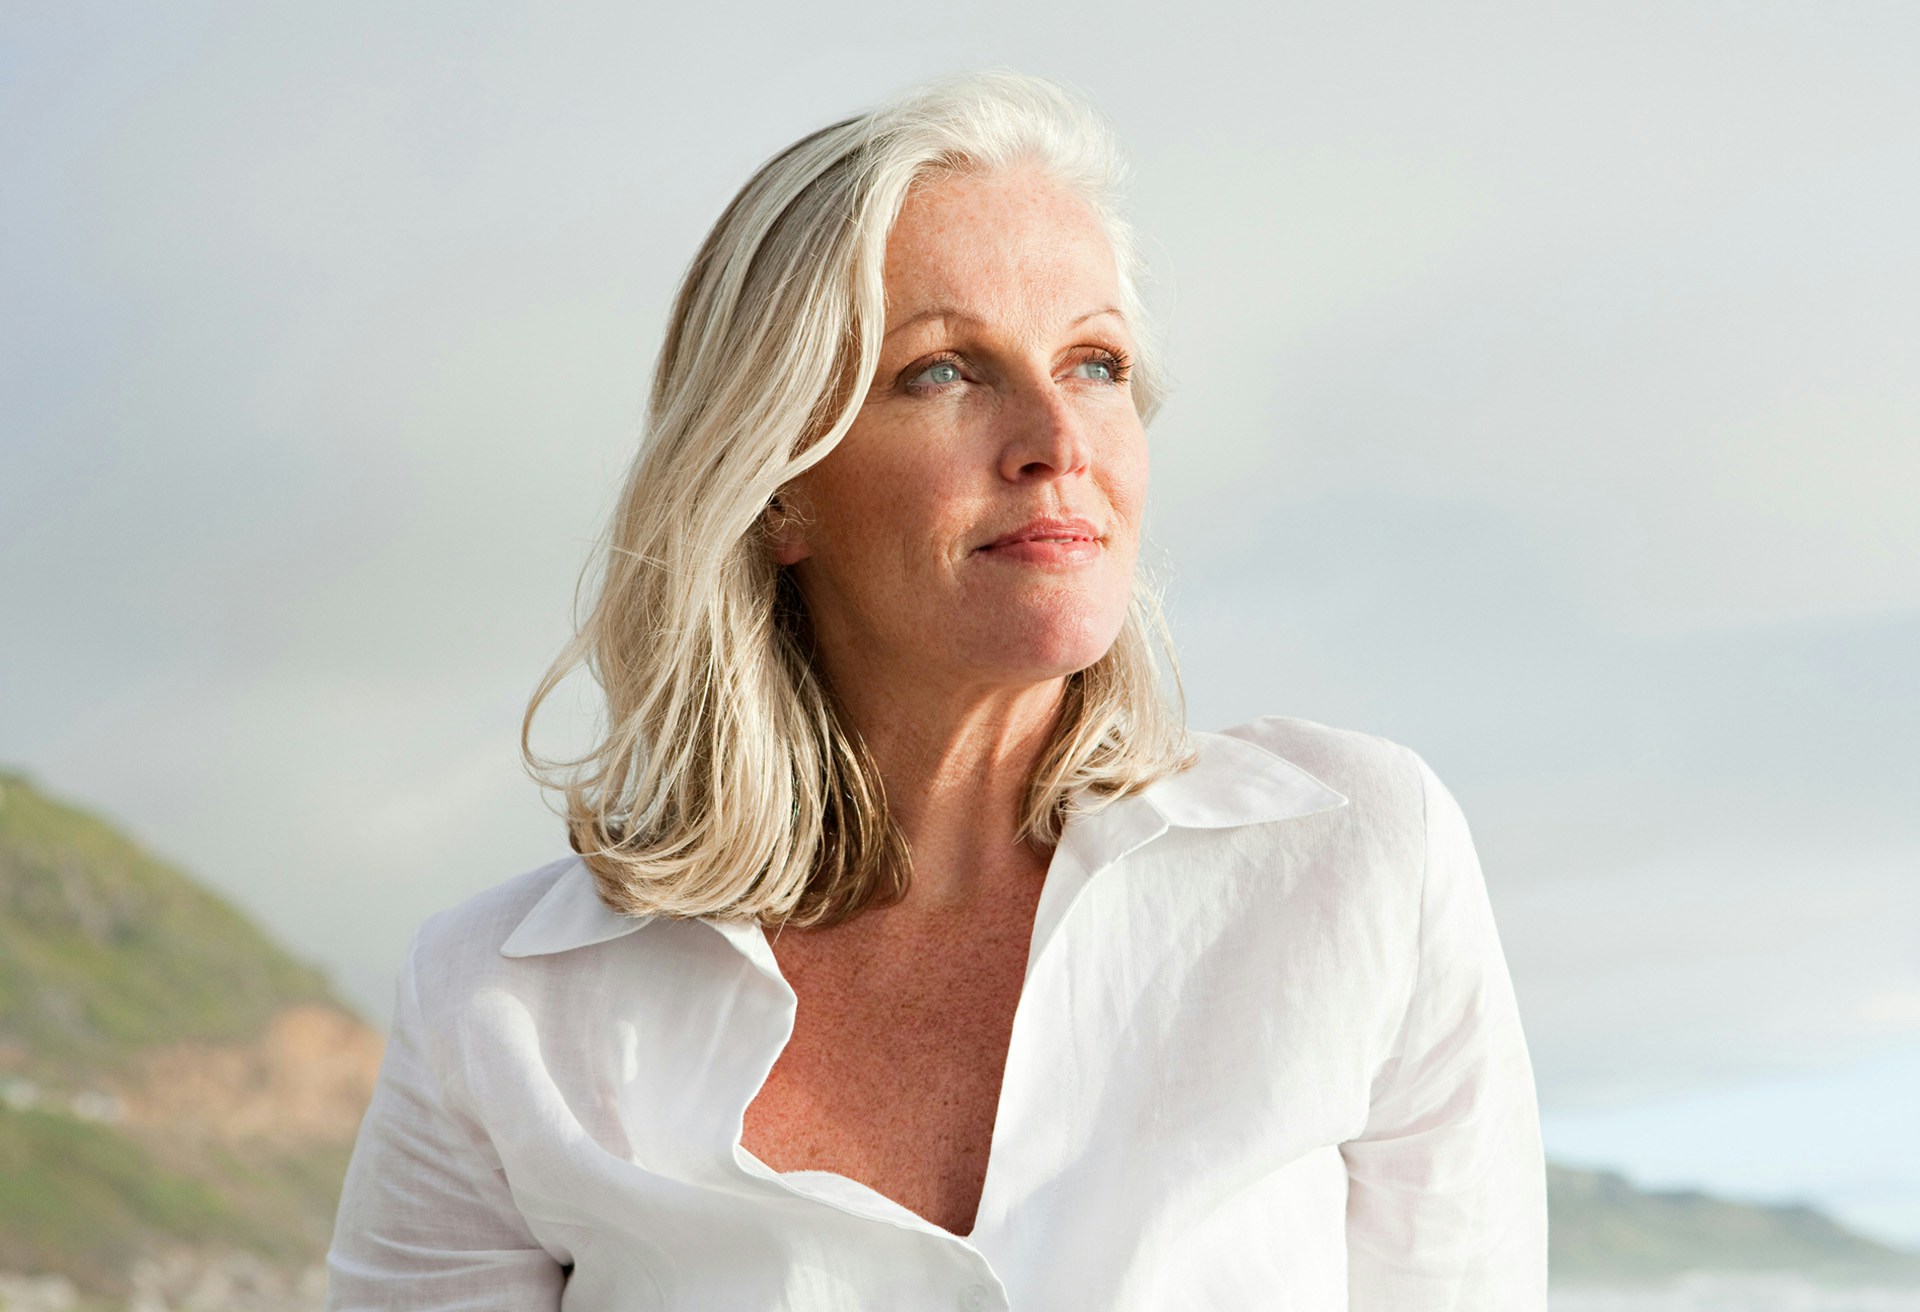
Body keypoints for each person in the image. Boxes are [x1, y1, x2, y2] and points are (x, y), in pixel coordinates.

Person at [326, 70, 1548, 1311]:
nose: (1057, 438)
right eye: (944, 371)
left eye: (1094, 362)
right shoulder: (504, 1004)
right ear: (777, 483)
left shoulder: (1354, 863)